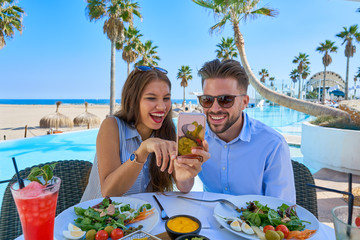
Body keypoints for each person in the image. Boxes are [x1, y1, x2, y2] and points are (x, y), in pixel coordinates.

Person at [81, 66, 207, 201]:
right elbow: (109, 192)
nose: (162, 107)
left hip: (142, 218)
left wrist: (184, 176)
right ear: (131, 101)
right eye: (151, 98)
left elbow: (185, 187)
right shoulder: (111, 126)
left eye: (166, 98)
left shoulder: (167, 132)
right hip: (97, 217)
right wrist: (142, 151)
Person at [195, 59, 296, 203]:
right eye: (207, 99)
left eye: (225, 100)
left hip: (255, 224)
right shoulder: (197, 138)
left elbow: (282, 209)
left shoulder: (273, 145)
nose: (214, 108)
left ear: (244, 102)